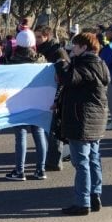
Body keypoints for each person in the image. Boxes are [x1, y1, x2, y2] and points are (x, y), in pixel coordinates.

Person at [54, 32, 110, 216]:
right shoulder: (100, 64)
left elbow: (69, 78)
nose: (72, 49)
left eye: (75, 46)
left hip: (81, 119)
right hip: (95, 119)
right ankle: (95, 195)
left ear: (84, 47)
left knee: (81, 162)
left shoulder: (85, 65)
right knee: (93, 159)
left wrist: (61, 62)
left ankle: (82, 202)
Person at [4, 29, 48, 181]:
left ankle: (19, 170)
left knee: (20, 136)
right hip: (38, 101)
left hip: (18, 102)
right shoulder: (41, 59)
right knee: (39, 133)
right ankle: (40, 170)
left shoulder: (13, 60)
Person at [35, 25, 70, 172]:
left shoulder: (57, 52)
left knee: (54, 128)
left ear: (47, 36)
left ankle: (55, 161)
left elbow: (64, 75)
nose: (36, 40)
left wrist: (57, 98)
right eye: (35, 37)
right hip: (46, 94)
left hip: (57, 94)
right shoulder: (42, 51)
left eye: (39, 37)